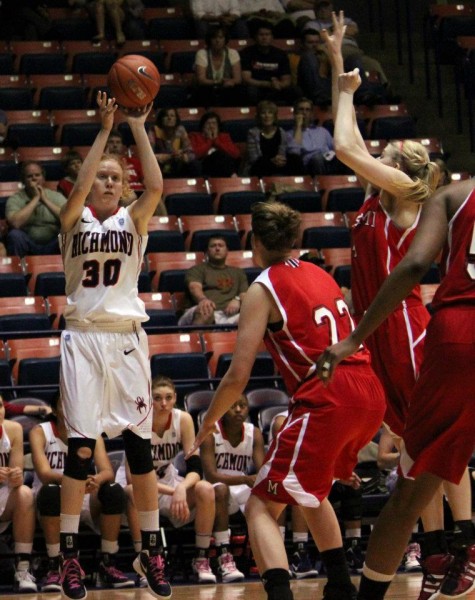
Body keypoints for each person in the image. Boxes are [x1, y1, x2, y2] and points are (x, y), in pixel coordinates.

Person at [323, 15, 473, 600]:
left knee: (433, 445)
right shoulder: (374, 195)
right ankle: (436, 551)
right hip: (380, 331)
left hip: (406, 326)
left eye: (392, 153)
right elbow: (352, 143)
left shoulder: (410, 197)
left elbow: (342, 144)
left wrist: (344, 96)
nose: (380, 154)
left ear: (406, 169)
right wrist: (341, 71)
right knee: (415, 451)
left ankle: (461, 544)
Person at [188, 201, 386, 600]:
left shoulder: (262, 288)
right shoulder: (320, 273)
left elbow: (238, 374)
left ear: (254, 241)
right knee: (309, 491)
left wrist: (210, 418)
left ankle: (280, 593)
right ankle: (340, 586)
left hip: (328, 395)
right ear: (294, 238)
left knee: (261, 505)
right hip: (369, 391)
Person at [57, 91, 170, 600]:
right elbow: (77, 191)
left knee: (140, 450)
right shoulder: (73, 220)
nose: (108, 181)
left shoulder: (133, 221)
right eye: (102, 175)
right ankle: (67, 559)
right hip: (82, 339)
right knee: (80, 452)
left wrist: (138, 127)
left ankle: (150, 550)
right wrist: (105, 131)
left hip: (126, 342)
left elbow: (157, 186)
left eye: (115, 177)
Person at [29, 394, 134, 593]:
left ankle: (108, 562)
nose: (70, 409)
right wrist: (74, 482)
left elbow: (107, 472)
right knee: (51, 491)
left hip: (84, 494)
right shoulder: (40, 432)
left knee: (113, 490)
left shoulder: (91, 432)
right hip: (52, 498)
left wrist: (96, 480)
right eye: (65, 405)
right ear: (55, 409)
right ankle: (55, 564)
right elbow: (44, 474)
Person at [120, 375, 217, 584]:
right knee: (131, 492)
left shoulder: (183, 420)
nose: (163, 403)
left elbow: (195, 468)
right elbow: (133, 479)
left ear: (175, 399)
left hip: (167, 480)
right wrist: (176, 491)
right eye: (157, 398)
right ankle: (145, 561)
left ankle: (201, 558)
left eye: (168, 397)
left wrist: (182, 487)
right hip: (140, 484)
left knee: (206, 489)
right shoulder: (136, 422)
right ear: (148, 400)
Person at [200, 393, 264, 583]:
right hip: (215, 489)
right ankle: (224, 556)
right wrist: (244, 479)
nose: (238, 410)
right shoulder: (210, 433)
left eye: (242, 406)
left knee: (268, 494)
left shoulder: (255, 433)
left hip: (240, 487)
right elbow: (211, 475)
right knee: (220, 490)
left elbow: (262, 471)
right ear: (222, 409)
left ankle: (268, 556)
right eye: (232, 405)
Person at [0, 395, 37, 592]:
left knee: (24, 493)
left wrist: (15, 477)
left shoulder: (13, 430)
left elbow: (18, 474)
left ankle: (23, 569)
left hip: (3, 496)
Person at [178, 235, 248, 327]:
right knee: (206, 310)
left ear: (227, 251)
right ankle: (197, 340)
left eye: (221, 245)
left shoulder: (238, 272)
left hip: (229, 315)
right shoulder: (197, 270)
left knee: (249, 317)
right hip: (200, 310)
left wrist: (238, 300)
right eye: (213, 246)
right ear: (207, 251)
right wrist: (203, 300)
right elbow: (194, 287)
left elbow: (244, 294)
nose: (217, 248)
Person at [5, 161, 68, 257]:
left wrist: (45, 200)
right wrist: (36, 198)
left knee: (70, 234)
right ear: (23, 180)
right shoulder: (16, 198)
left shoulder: (56, 196)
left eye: (37, 175)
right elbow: (15, 223)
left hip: (53, 242)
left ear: (43, 178)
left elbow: (69, 218)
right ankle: (19, 270)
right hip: (27, 242)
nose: (34, 178)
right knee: (14, 235)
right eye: (29, 176)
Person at [240, 21, 299, 106]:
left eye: (267, 35)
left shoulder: (280, 54)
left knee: (295, 91)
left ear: (272, 37)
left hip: (276, 87)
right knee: (250, 91)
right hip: (257, 86)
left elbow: (287, 79)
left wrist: (279, 85)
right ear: (255, 37)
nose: (264, 38)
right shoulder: (247, 53)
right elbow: (246, 79)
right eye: (261, 35)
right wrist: (268, 84)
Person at [286, 96, 345, 176]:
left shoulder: (322, 131)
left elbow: (336, 148)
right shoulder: (290, 133)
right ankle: (323, 185)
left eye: (307, 110)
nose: (304, 112)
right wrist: (298, 127)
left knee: (347, 157)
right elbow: (294, 153)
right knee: (317, 159)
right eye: (301, 109)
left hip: (329, 161)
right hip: (311, 165)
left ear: (311, 114)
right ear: (295, 113)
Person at [246, 100, 302, 177]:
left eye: (270, 113)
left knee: (295, 159)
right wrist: (271, 160)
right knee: (260, 164)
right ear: (259, 116)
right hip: (261, 165)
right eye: (263, 113)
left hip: (278, 163)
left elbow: (287, 151)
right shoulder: (252, 133)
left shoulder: (281, 132)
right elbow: (254, 159)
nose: (267, 116)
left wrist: (281, 159)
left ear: (274, 116)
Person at [193, 25, 243, 108]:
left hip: (227, 89)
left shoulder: (233, 53)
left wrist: (231, 82)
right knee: (204, 91)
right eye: (214, 37)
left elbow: (238, 79)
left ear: (225, 39)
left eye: (221, 37)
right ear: (209, 40)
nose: (217, 40)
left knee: (237, 91)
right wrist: (219, 82)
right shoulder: (202, 53)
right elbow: (201, 80)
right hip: (207, 89)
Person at [147, 107, 201, 180]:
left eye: (172, 116)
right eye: (166, 116)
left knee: (195, 164)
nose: (169, 118)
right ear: (161, 119)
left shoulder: (180, 130)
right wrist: (167, 156)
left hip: (177, 163)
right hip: (161, 165)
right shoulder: (154, 131)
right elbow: (148, 156)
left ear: (176, 119)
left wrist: (184, 157)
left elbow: (191, 152)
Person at [189, 111, 241, 178]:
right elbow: (195, 154)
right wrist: (209, 140)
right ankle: (234, 177)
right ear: (203, 125)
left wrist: (216, 140)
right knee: (218, 154)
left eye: (214, 123)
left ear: (218, 126)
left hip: (223, 166)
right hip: (205, 165)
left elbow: (236, 154)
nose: (211, 126)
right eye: (208, 123)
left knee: (222, 156)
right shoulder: (194, 136)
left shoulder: (224, 136)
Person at [106, 128, 144, 205]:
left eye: (118, 142)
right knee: (129, 198)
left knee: (156, 197)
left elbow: (144, 179)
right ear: (106, 145)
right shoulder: (104, 163)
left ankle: (166, 217)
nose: (115, 145)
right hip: (121, 191)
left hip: (140, 190)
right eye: (111, 142)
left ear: (122, 145)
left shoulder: (134, 161)